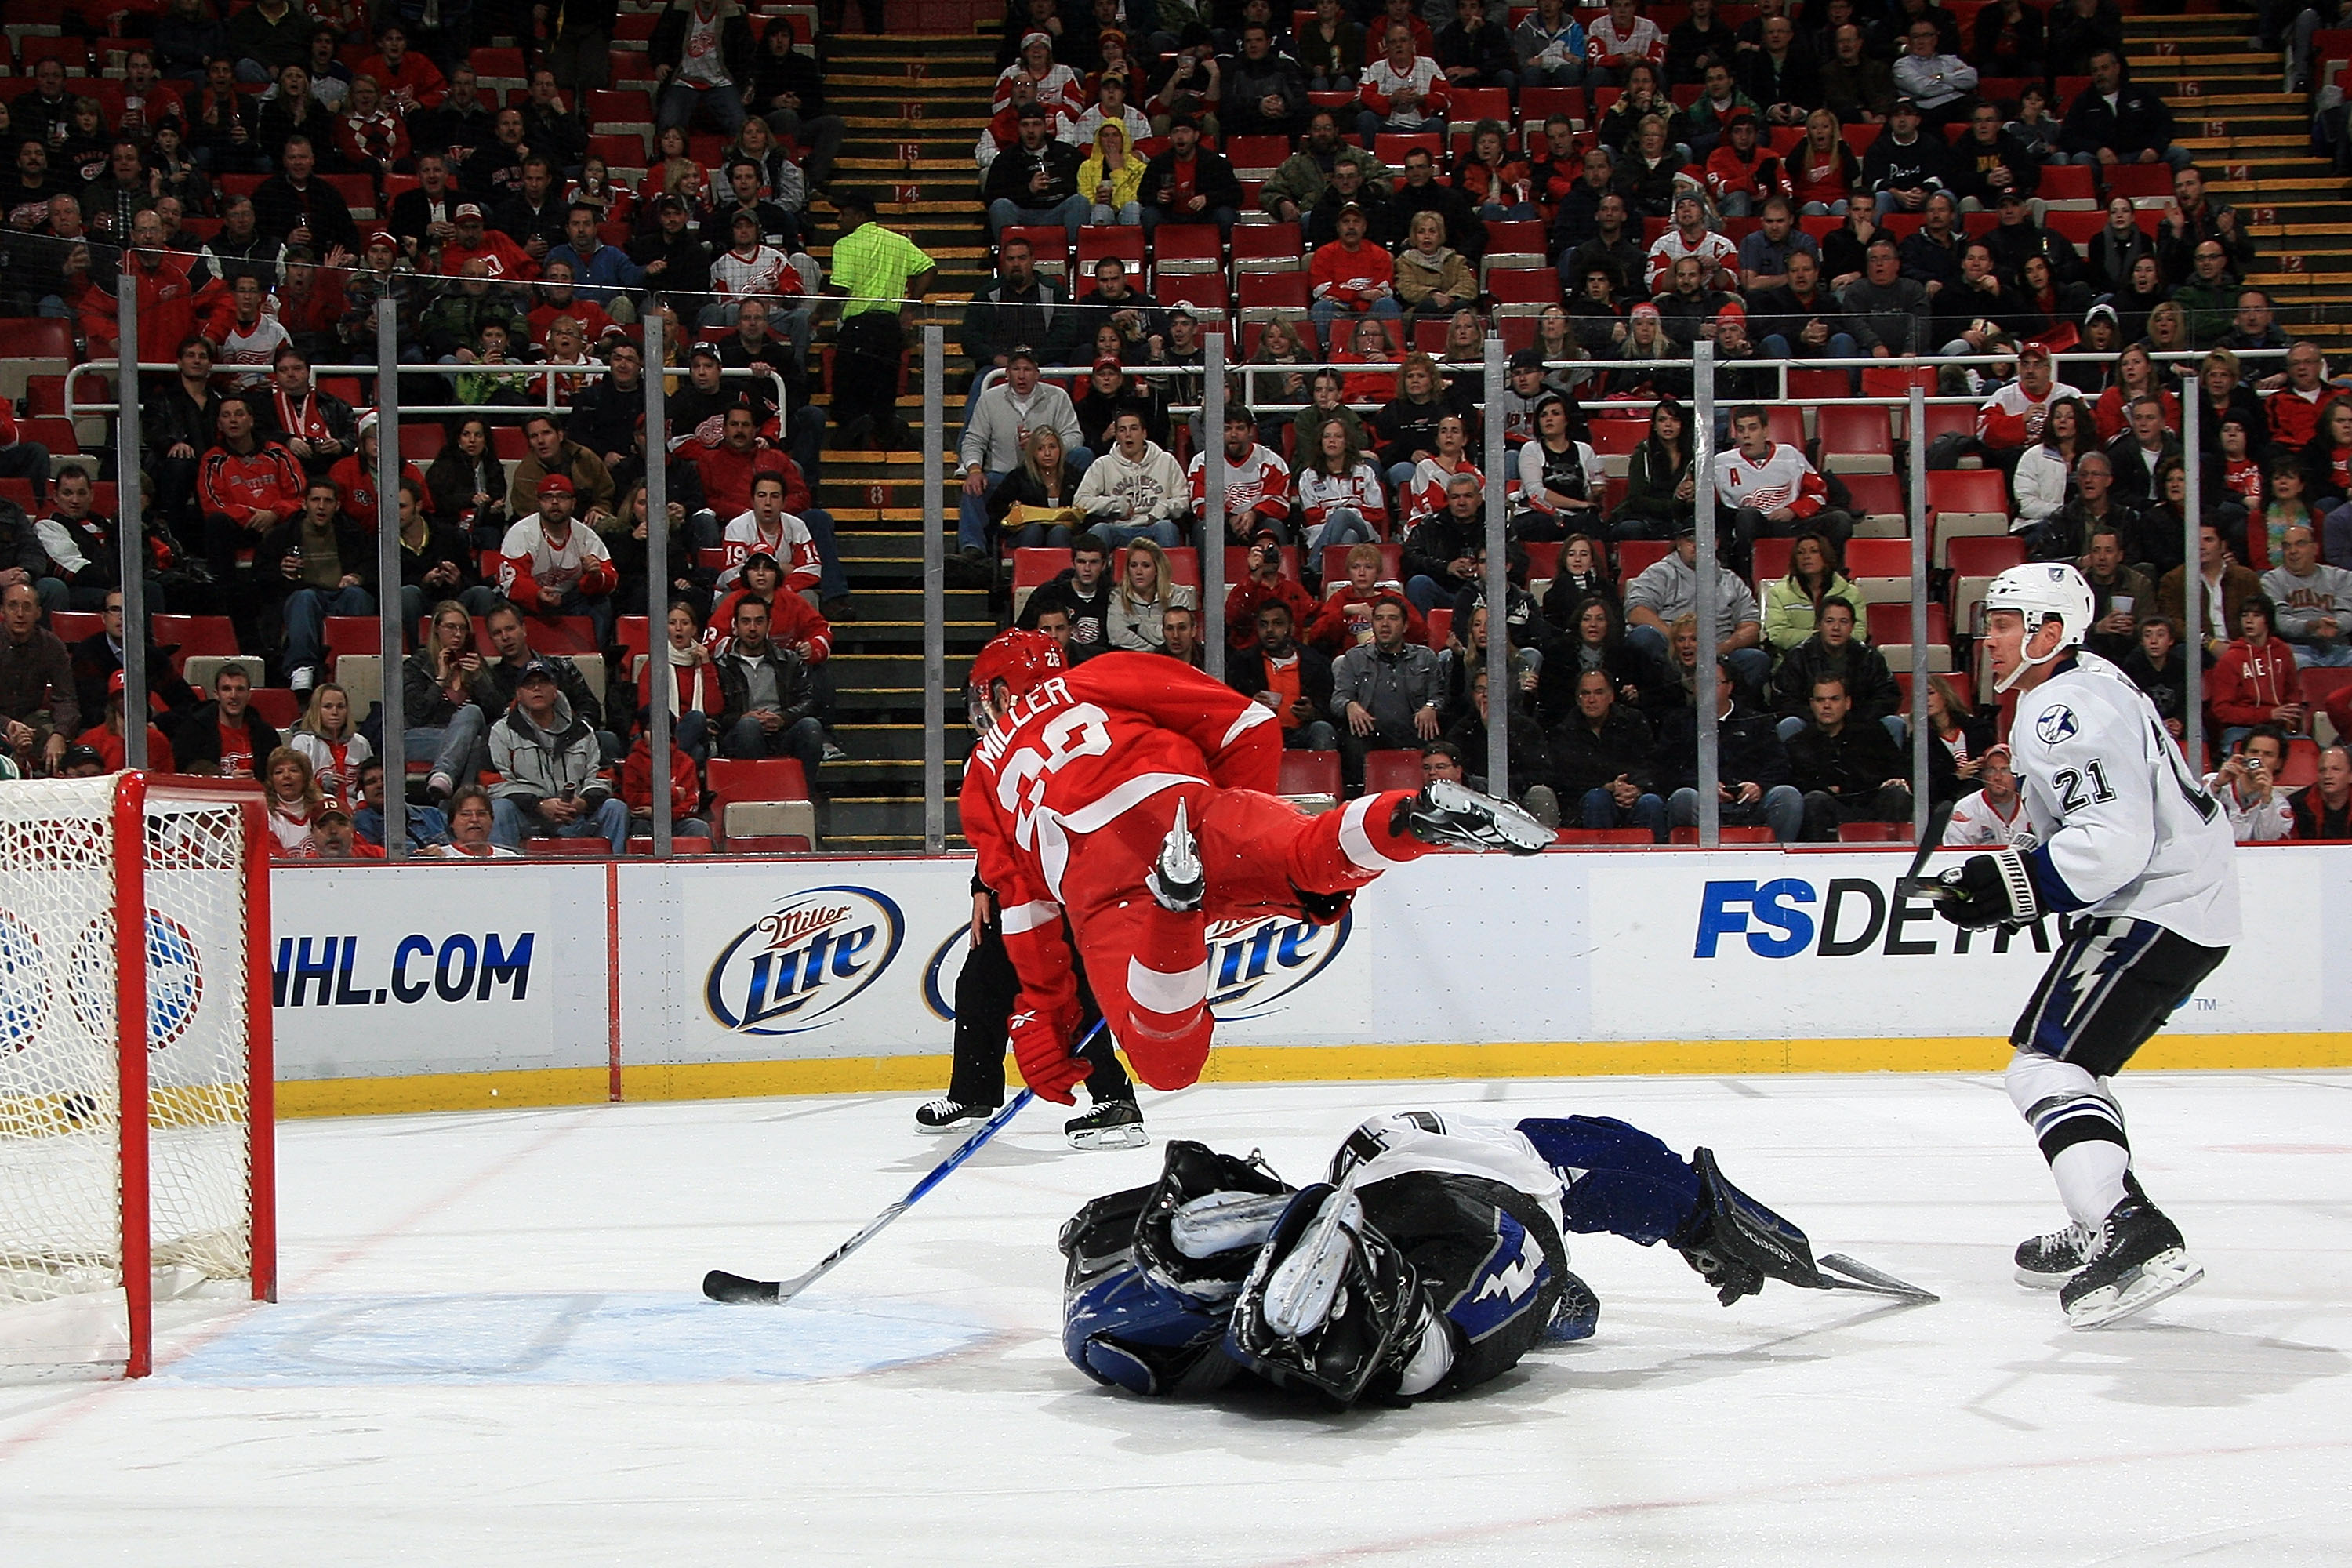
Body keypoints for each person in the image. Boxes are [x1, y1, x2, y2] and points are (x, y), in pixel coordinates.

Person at [960, 630, 1545, 1104]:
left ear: (1000, 692)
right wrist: (1226, 821)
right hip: (1189, 812)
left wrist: (1045, 1009)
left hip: (1105, 889)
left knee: (1166, 1059)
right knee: (1307, 857)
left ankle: (1175, 906)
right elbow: (1250, 724)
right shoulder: (1100, 675)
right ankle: (1413, 819)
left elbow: (1026, 908)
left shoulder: (979, 774)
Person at [1922, 563, 2234, 1328]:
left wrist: (2018, 883)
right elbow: (2087, 818)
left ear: (2049, 632)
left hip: (2159, 901)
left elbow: (2112, 842)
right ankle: (2103, 1213)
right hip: (2181, 896)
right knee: (2071, 1063)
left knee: (2045, 1066)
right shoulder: (2089, 680)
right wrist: (2006, 879)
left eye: (2002, 624)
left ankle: (2126, 1225)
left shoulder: (2059, 706)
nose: (1986, 639)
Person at [921, 867, 1140, 1146]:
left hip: (1065, 891)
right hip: (1012, 892)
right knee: (979, 987)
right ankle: (972, 1093)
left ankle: (1115, 1100)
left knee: (1071, 995)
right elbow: (998, 831)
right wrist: (982, 887)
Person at [488, 658, 630, 853]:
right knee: (500, 809)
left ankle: (616, 877)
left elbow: (603, 776)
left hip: (578, 814)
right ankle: (504, 876)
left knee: (615, 808)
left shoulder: (582, 731)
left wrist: (583, 802)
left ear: (555, 689)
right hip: (529, 817)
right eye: (529, 684)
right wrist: (539, 805)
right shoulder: (502, 732)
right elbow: (494, 783)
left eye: (543, 682)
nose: (537, 688)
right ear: (519, 694)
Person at [1657, 655, 1805, 840]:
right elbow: (1667, 769)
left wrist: (1759, 786)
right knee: (1684, 798)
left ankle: (1774, 864)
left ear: (1730, 686)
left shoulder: (1756, 721)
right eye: (1700, 682)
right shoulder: (1677, 722)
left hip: (1751, 803)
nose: (1706, 689)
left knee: (1787, 795)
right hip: (1703, 803)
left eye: (1714, 682)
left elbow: (1778, 764)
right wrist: (1703, 785)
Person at [1623, 525, 1769, 695]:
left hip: (1718, 656)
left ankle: (1728, 716)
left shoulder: (1731, 581)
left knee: (1755, 659)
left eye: (1703, 539)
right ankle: (1672, 705)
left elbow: (1751, 625)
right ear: (1679, 544)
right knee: (1644, 636)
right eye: (1690, 540)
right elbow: (1636, 611)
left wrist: (1724, 647)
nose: (1696, 545)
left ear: (1715, 543)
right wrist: (1677, 641)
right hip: (1670, 657)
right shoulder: (1660, 573)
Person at [1787, 675, 1913, 841]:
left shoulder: (1872, 733)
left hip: (1873, 805)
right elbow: (1802, 784)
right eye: (1820, 700)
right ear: (1812, 704)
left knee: (1897, 793)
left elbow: (1897, 768)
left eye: (1834, 699)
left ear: (1847, 703)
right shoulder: (1799, 742)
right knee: (1815, 800)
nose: (1826, 706)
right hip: (1833, 809)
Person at [1549, 666, 1664, 838]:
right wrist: (1608, 787)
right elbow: (1567, 780)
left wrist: (1636, 788)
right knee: (1597, 799)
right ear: (1578, 699)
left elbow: (1651, 763)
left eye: (1599, 693)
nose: (1591, 700)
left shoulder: (1633, 721)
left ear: (1611, 697)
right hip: (1587, 805)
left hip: (1632, 796)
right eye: (1585, 694)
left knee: (1651, 802)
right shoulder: (1565, 731)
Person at [1228, 599, 1337, 753]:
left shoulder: (1316, 662)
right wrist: (1250, 706)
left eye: (1277, 623)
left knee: (1322, 730)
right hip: (1260, 732)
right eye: (1263, 625)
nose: (1269, 630)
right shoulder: (1242, 663)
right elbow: (1229, 708)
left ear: (1291, 628)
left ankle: (1322, 775)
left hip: (1302, 733)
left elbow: (1330, 710)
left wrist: (1313, 713)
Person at [2206, 596, 2305, 753]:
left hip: (2278, 728)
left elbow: (2292, 693)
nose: (2249, 621)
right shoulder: (2231, 659)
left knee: (2305, 748)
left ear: (2268, 620)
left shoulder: (2283, 652)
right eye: (2245, 616)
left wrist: (2291, 719)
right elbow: (2222, 711)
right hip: (2241, 730)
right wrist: (2268, 714)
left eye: (2256, 615)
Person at [171, 661, 279, 779]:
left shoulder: (266, 735)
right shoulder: (192, 732)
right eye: (227, 689)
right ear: (217, 694)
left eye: (240, 689)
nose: (234, 696)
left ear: (249, 695)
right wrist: (227, 780)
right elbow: (185, 774)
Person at [2263, 524, 2352, 668]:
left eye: (2300, 544)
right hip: (2295, 649)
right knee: (2299, 663)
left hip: (2338, 648)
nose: (2293, 551)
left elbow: (2348, 614)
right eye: (2287, 546)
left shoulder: (2341, 577)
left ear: (2315, 549)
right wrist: (2310, 626)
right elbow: (2279, 620)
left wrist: (2336, 625)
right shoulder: (2272, 580)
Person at [2204, 724, 2294, 844]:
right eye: (2253, 752)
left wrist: (2266, 801)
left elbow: (2269, 844)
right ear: (2242, 755)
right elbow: (2195, 823)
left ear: (2279, 763)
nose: (2259, 759)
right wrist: (2216, 786)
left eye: (2268, 754)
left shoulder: (2279, 804)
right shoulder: (2213, 781)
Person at [289, 681, 371, 798]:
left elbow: (370, 781)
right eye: (328, 707)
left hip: (356, 809)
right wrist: (319, 784)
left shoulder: (361, 743)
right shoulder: (303, 742)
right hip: (316, 806)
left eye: (340, 707)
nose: (335, 712)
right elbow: (294, 785)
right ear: (316, 710)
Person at [1947, 742, 2028, 844]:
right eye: (1991, 771)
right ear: (1983, 775)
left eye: (2005, 770)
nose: (1997, 777)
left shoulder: (2032, 806)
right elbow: (1956, 854)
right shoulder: (1965, 810)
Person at [429, 784, 523, 858]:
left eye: (481, 814)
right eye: (466, 814)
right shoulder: (440, 857)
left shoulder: (509, 858)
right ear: (452, 822)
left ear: (492, 819)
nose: (474, 819)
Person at [2292, 744, 2352, 840]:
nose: (2327, 776)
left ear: (2350, 776)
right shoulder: (2297, 805)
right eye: (2322, 770)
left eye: (2336, 769)